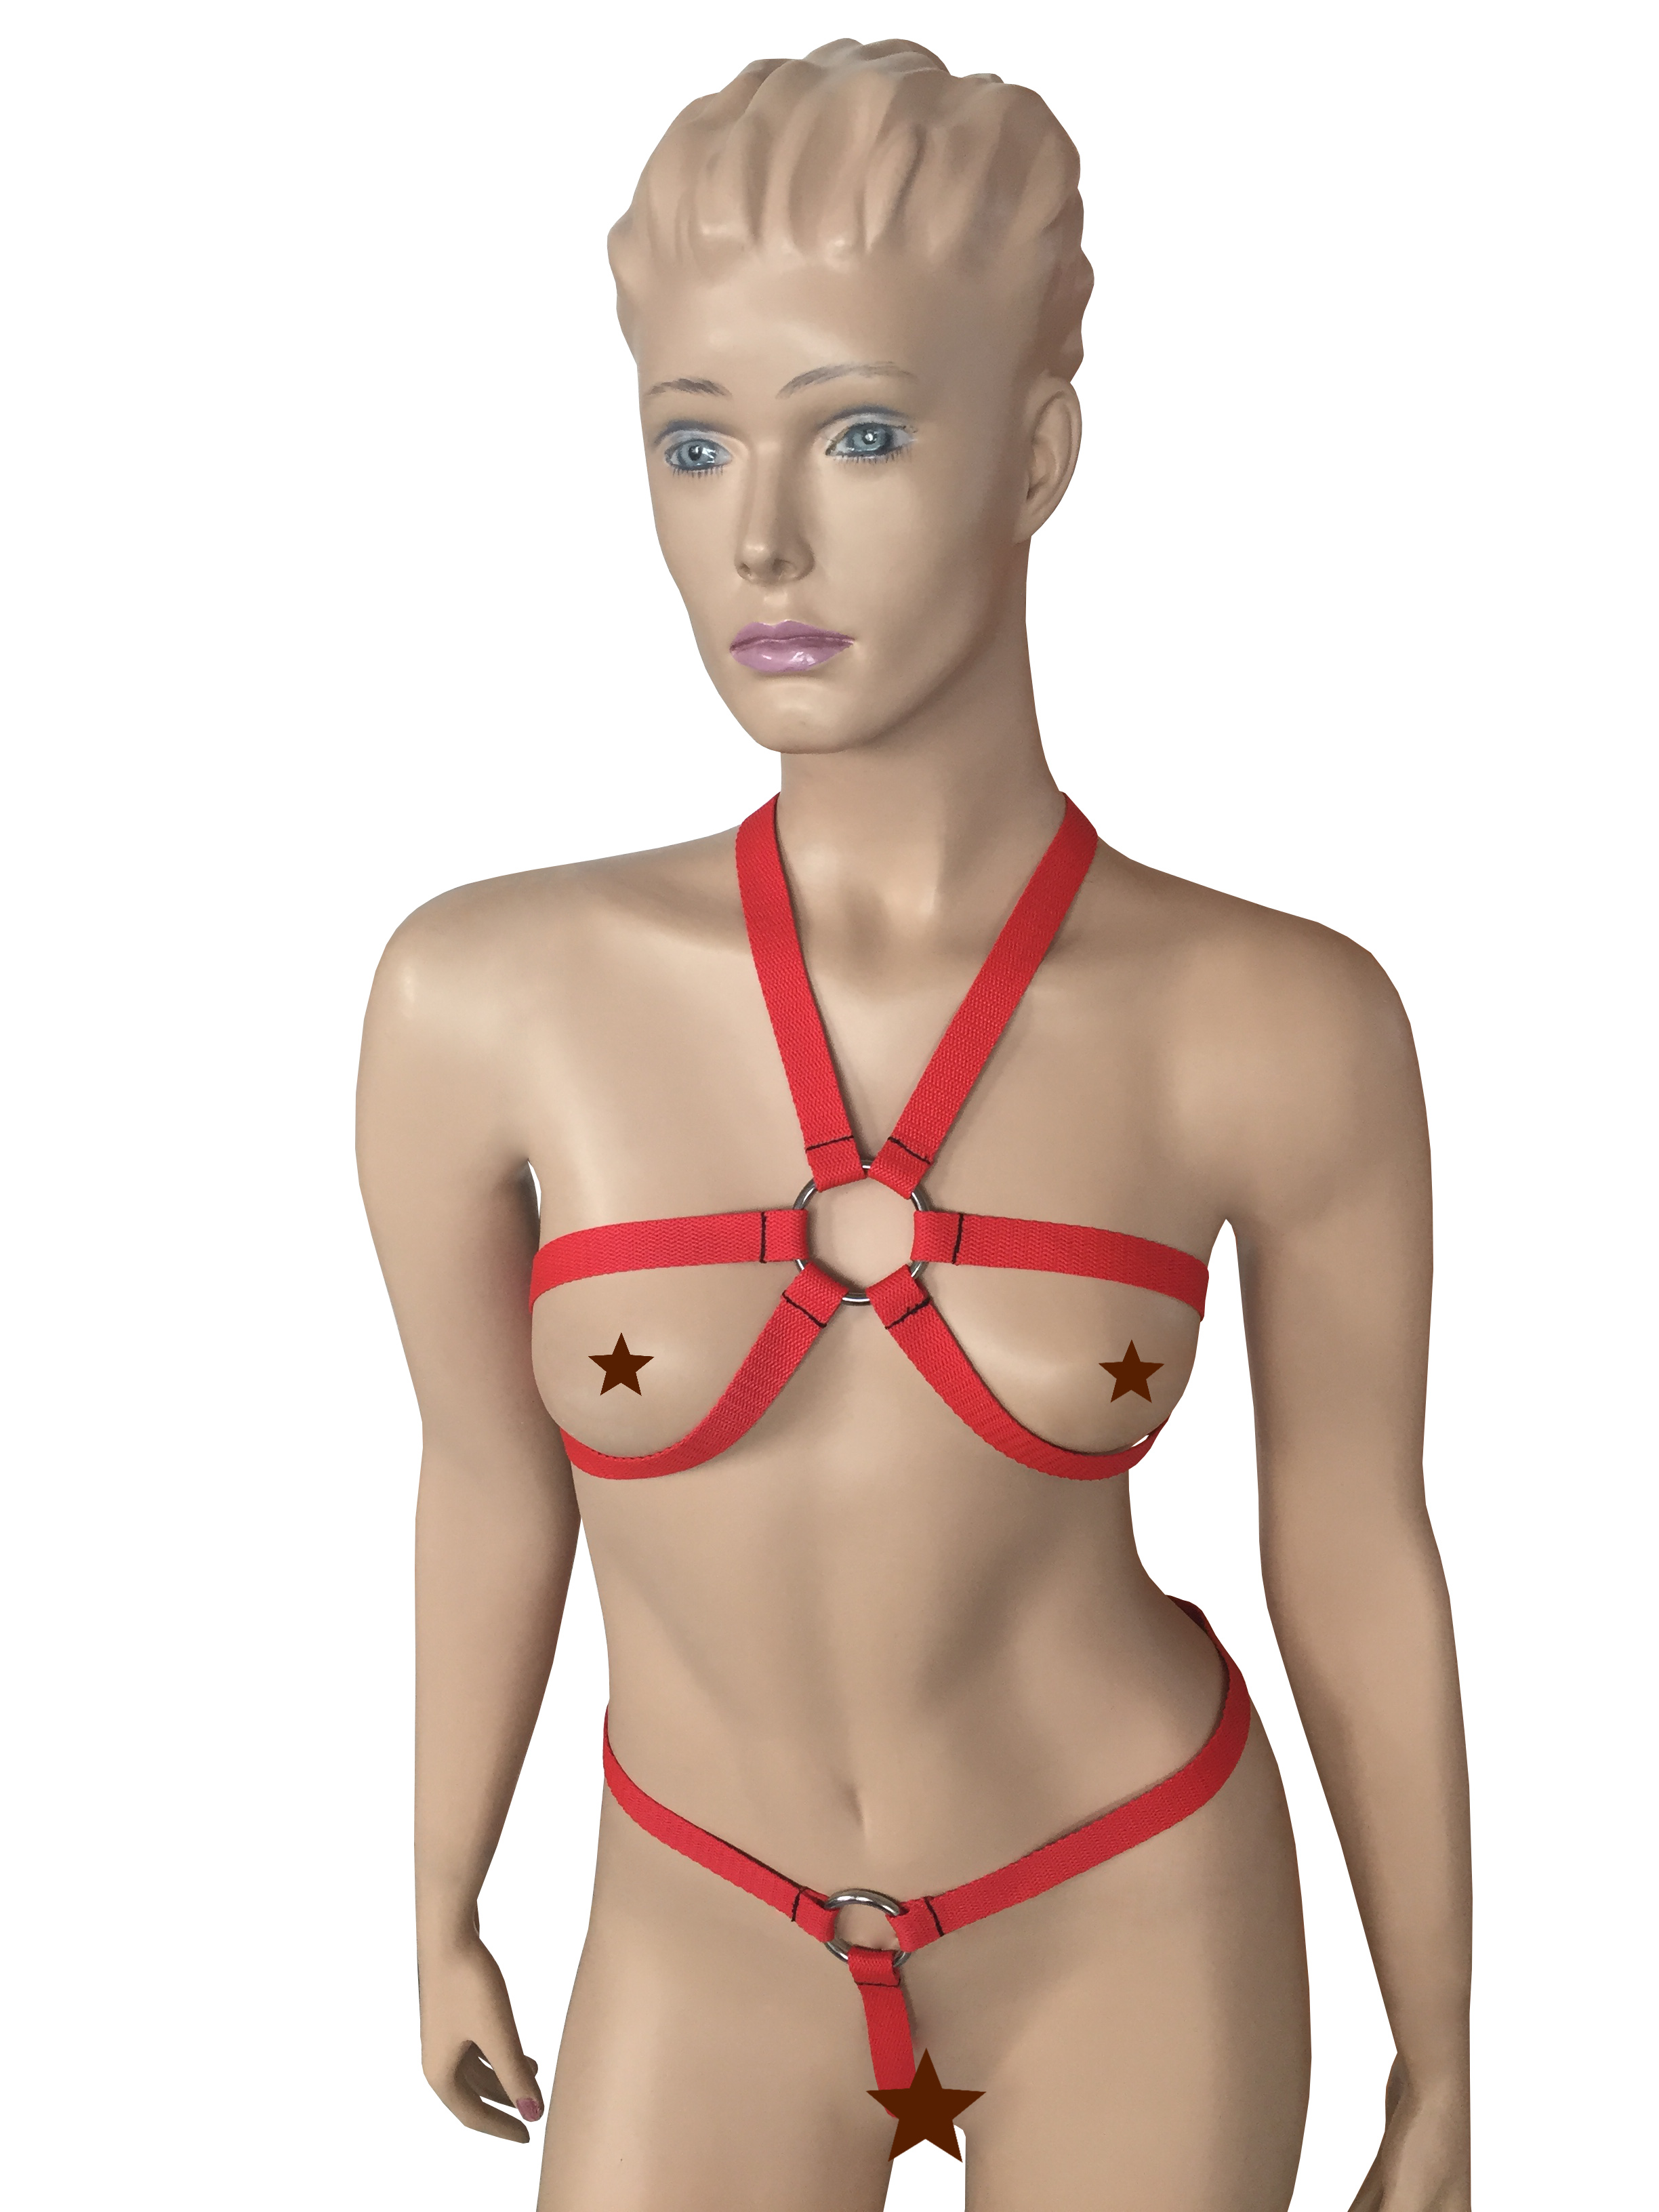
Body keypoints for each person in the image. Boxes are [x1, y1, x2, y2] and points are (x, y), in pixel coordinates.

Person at [357, 39, 1470, 2211]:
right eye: (693, 443)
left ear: (1036, 453)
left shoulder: (1279, 1022)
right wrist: (437, 1895)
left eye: (860, 432)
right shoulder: (477, 999)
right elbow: (486, 1480)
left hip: (1132, 1912)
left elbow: (1353, 1539)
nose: (761, 536)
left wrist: (1441, 2061)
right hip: (699, 1924)